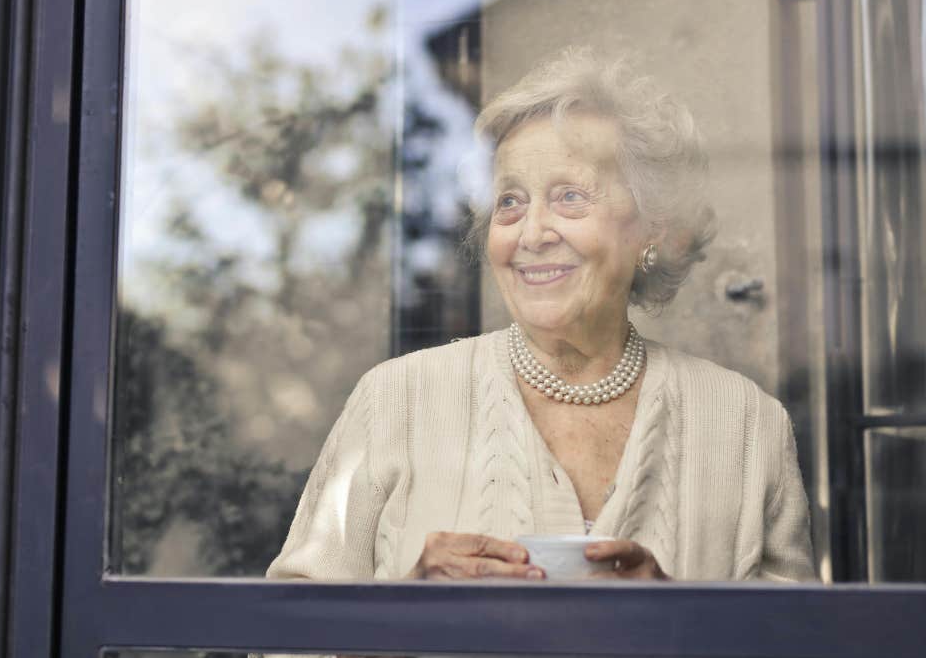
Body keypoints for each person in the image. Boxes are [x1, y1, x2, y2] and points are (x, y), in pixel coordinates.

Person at [266, 49, 815, 582]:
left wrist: (673, 624)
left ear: (655, 230)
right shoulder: (395, 402)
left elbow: (801, 647)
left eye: (570, 196)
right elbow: (288, 643)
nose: (531, 234)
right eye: (510, 202)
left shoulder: (747, 427)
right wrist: (408, 614)